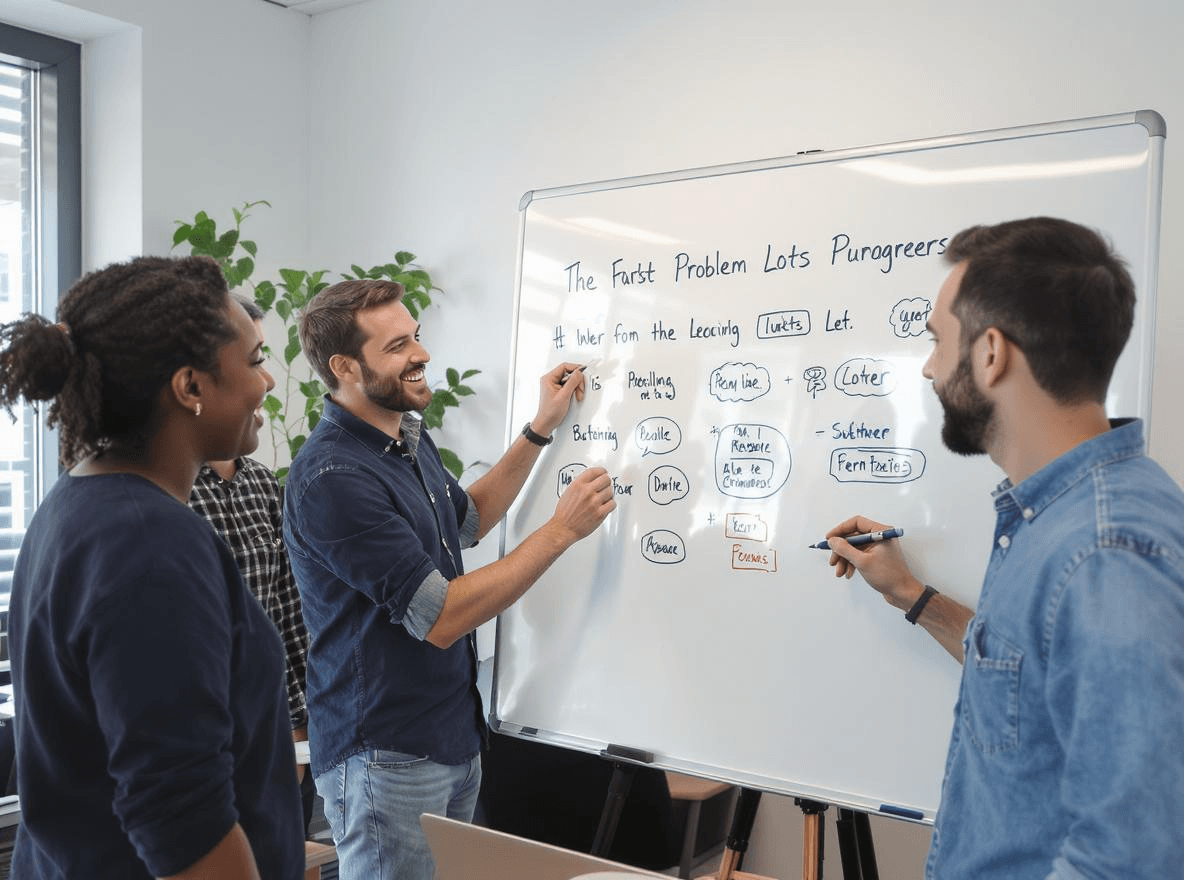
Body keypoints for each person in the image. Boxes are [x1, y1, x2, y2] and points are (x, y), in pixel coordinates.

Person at [823, 217, 1184, 879]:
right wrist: (911, 594)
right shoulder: (1059, 516)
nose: (930, 368)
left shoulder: (1105, 551)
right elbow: (1034, 679)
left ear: (991, 352)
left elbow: (1132, 859)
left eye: (938, 342)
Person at [283, 278, 616, 880]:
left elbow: (465, 521)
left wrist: (539, 428)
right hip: (386, 755)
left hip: (450, 734)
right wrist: (560, 532)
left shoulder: (405, 434)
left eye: (416, 336)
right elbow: (440, 617)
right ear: (345, 367)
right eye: (397, 346)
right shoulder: (332, 476)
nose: (422, 354)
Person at [0, 256, 303, 879]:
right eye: (252, 363)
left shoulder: (76, 504)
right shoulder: (148, 545)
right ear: (190, 387)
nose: (267, 383)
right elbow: (184, 824)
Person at [188, 294, 315, 832]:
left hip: (276, 729)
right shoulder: (164, 498)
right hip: (211, 743)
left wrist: (299, 728)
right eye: (256, 360)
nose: (266, 382)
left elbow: (288, 614)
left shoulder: (262, 482)